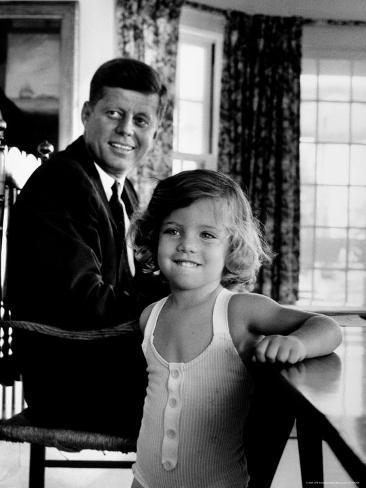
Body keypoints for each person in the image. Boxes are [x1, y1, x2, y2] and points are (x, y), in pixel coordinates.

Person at [129, 169, 343, 488]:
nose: (187, 244)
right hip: (144, 480)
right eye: (173, 230)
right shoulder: (151, 316)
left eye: (207, 234)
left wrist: (298, 344)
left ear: (232, 247)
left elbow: (328, 327)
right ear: (154, 236)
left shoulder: (238, 311)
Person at [7, 58, 168, 437]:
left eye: (141, 120)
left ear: (155, 132)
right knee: (237, 390)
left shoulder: (120, 188)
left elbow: (131, 278)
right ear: (86, 113)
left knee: (237, 367)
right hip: (71, 380)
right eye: (114, 113)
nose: (127, 130)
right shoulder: (63, 184)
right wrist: (171, 306)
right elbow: (83, 303)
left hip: (103, 361)